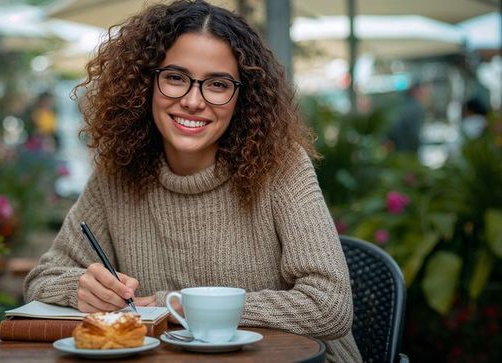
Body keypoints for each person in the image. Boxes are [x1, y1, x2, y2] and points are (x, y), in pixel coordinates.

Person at [24, 1, 361, 361]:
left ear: (242, 97)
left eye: (217, 84)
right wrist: (79, 288)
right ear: (145, 82)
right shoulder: (117, 176)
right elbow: (39, 281)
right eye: (175, 78)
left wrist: (193, 309)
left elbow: (330, 306)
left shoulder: (281, 167)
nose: (192, 101)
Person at [388, 82, 429, 153]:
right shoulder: (415, 107)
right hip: (407, 149)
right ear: (416, 91)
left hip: (398, 148)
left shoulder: (402, 103)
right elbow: (414, 133)